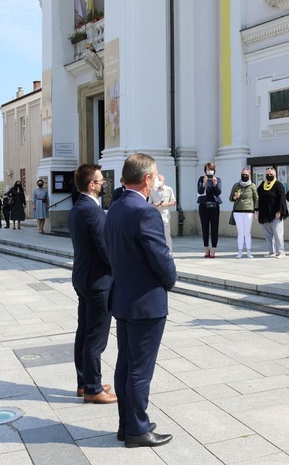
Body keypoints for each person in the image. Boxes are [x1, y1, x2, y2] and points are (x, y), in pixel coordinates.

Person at [104, 153, 176, 448]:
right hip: (146, 301)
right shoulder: (144, 212)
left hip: (123, 296)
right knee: (139, 369)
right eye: (155, 176)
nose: (156, 180)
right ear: (147, 179)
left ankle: (127, 423)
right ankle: (137, 429)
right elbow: (161, 258)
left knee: (126, 363)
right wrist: (170, 279)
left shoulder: (117, 207)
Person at [68, 164, 115, 404]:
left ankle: (84, 382)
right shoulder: (93, 211)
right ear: (91, 185)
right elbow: (104, 248)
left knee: (84, 332)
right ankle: (94, 388)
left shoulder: (78, 207)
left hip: (83, 277)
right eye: (100, 180)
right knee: (96, 337)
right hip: (98, 281)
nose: (103, 183)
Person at [257, 167, 288, 258]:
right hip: (265, 214)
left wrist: (279, 211)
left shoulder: (279, 185)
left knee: (278, 233)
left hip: (275, 214)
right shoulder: (262, 185)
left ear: (275, 175)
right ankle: (271, 251)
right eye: (268, 174)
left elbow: (282, 199)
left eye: (271, 174)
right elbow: (258, 197)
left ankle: (281, 252)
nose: (269, 176)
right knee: (268, 234)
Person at [229, 168, 259, 259]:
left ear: (249, 175)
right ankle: (240, 251)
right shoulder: (236, 185)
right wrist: (235, 197)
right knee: (240, 232)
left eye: (246, 174)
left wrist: (256, 210)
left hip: (248, 211)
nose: (244, 176)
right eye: (243, 174)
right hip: (238, 211)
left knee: (247, 232)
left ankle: (249, 251)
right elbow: (230, 199)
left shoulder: (252, 186)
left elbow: (256, 198)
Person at [197, 162, 222, 258]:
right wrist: (203, 183)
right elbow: (199, 191)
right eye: (208, 169)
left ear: (214, 170)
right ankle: (206, 248)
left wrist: (215, 184)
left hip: (214, 206)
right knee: (205, 227)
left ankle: (214, 249)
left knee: (214, 228)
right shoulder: (201, 179)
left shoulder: (218, 179)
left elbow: (219, 192)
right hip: (204, 206)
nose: (209, 171)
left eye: (211, 169)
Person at [149, 174, 176, 254]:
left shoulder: (168, 189)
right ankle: (158, 252)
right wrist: (154, 205)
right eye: (158, 180)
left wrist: (166, 204)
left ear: (163, 181)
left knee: (166, 234)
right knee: (156, 235)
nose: (159, 182)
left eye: (160, 180)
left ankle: (169, 252)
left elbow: (173, 202)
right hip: (155, 216)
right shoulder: (153, 190)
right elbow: (149, 203)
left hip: (165, 215)